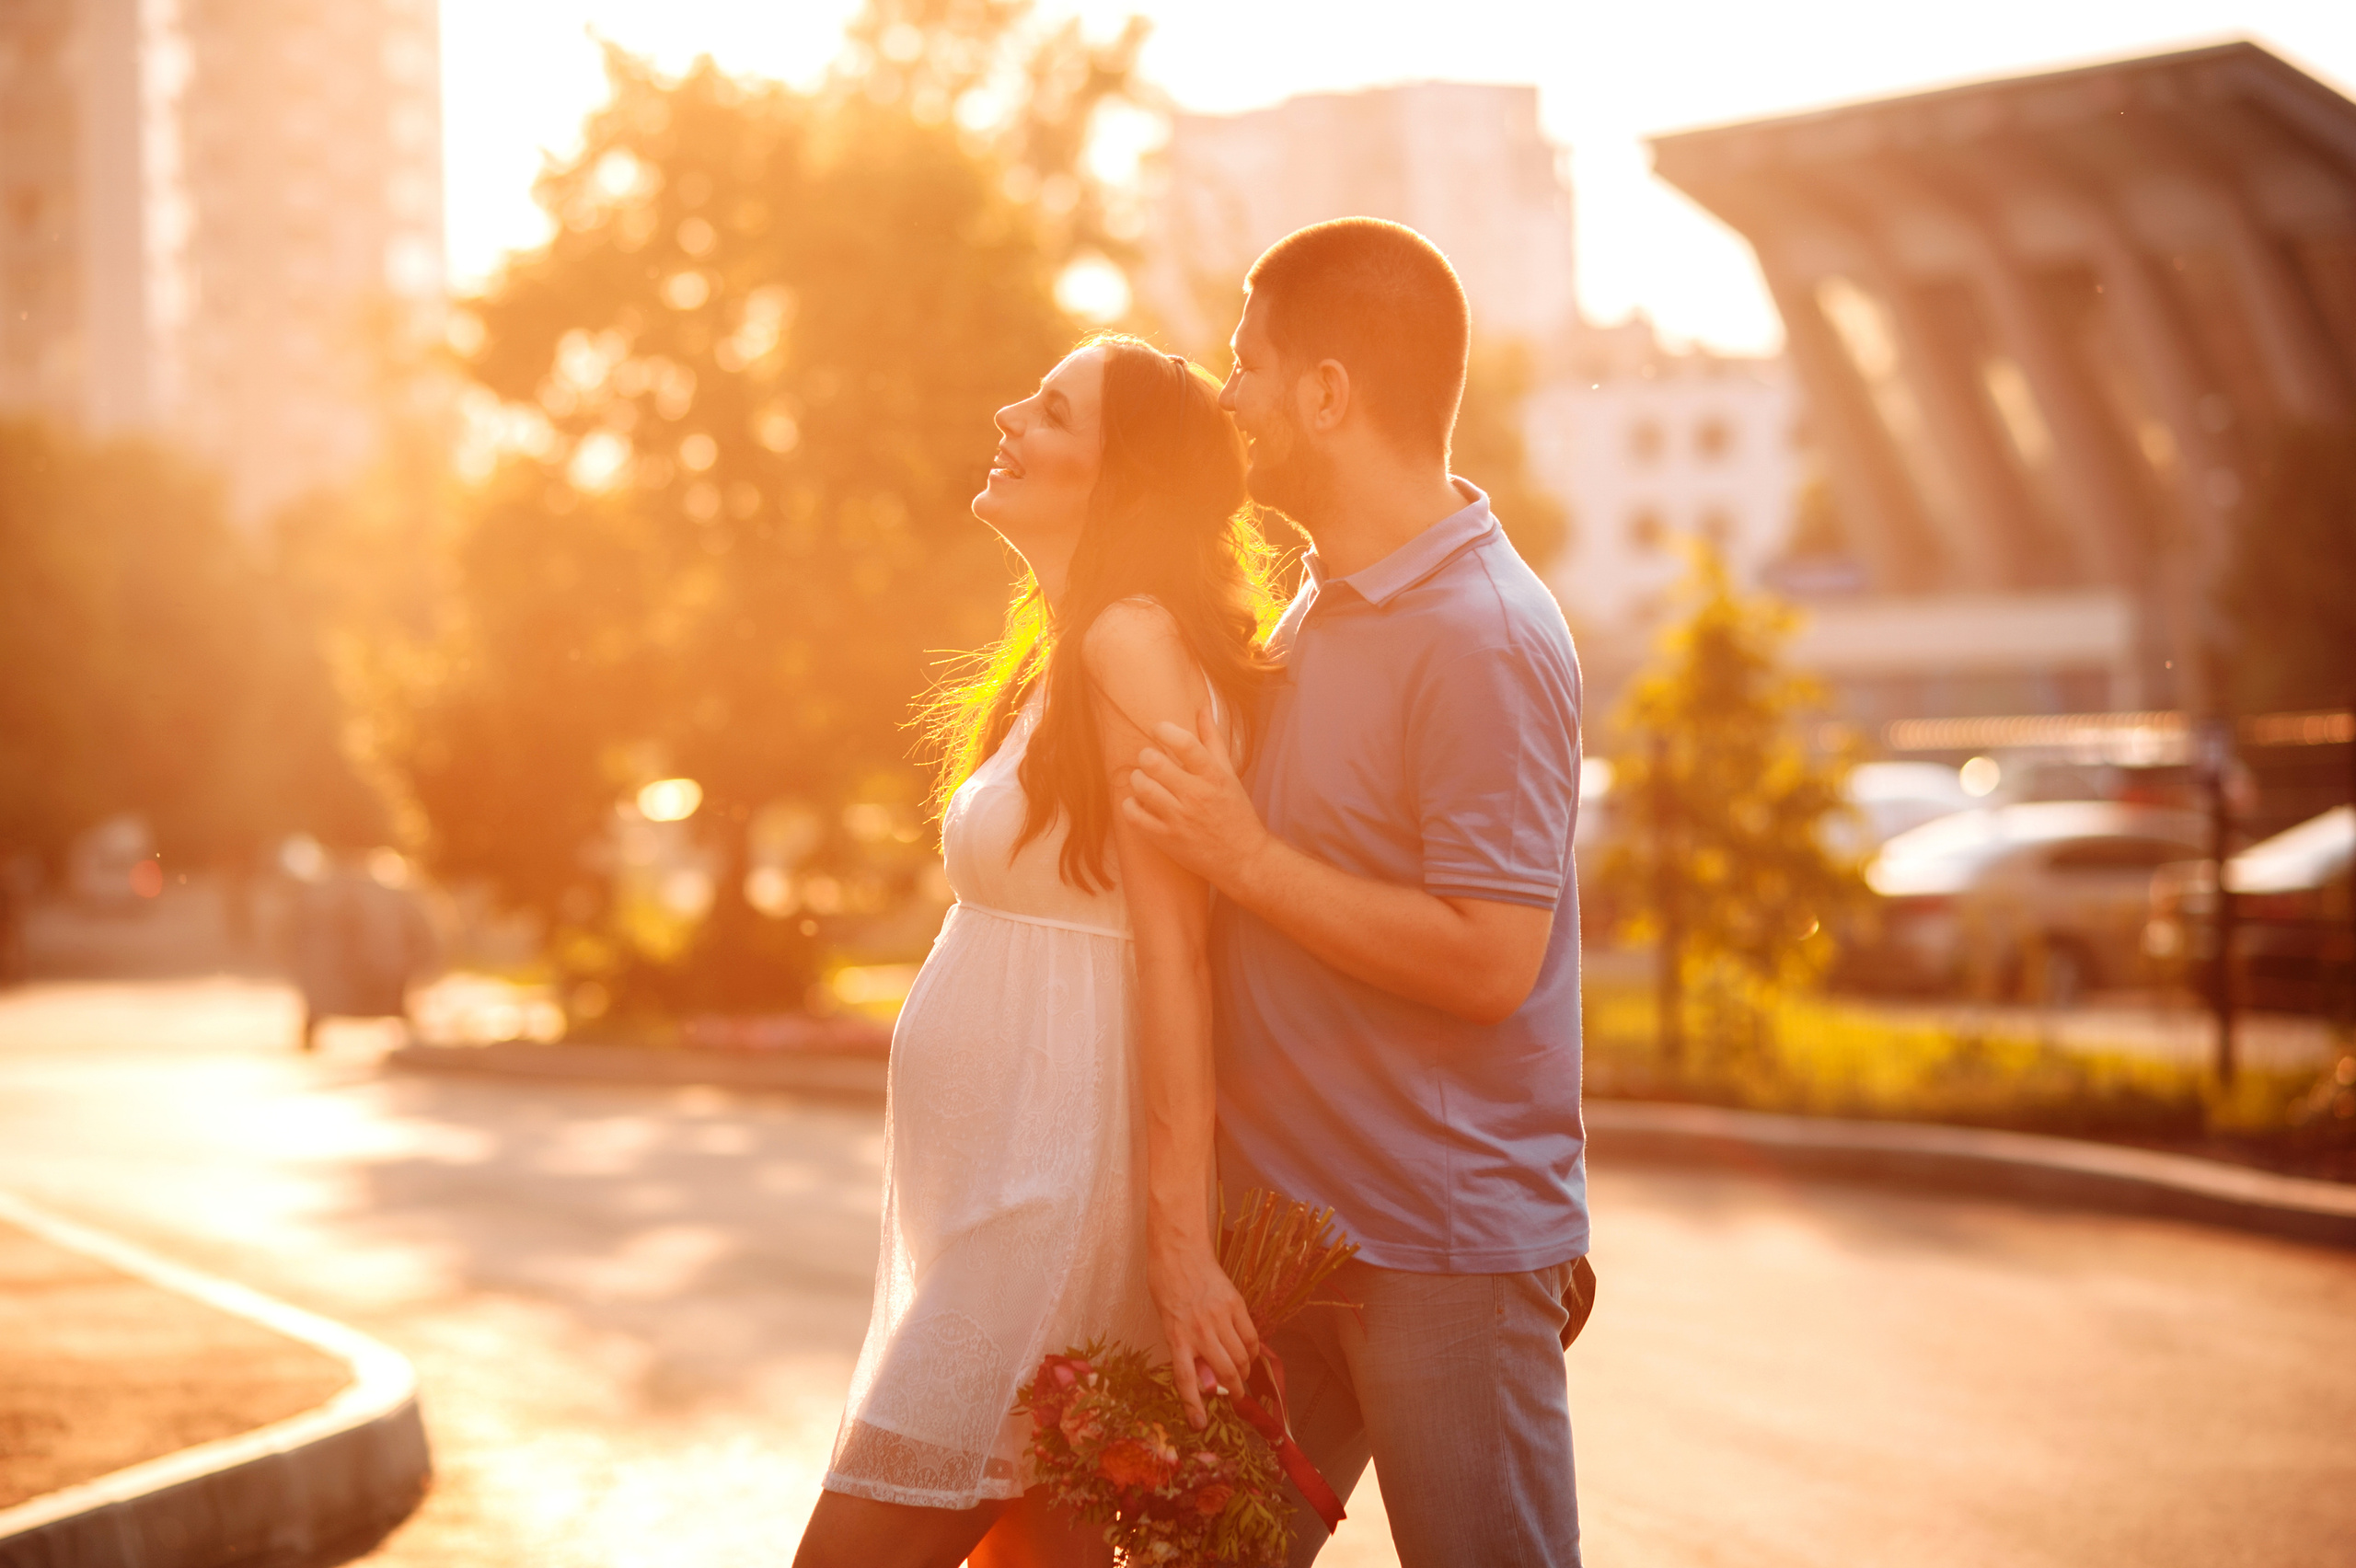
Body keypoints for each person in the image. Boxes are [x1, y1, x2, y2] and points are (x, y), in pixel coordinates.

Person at [1123, 218, 1589, 1567]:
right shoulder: (1322, 603)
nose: (1229, 399)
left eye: (1248, 365)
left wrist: (1244, 859)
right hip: (1291, 1253)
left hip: (1437, 1253)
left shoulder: (1483, 634)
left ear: (1327, 394)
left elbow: (1492, 958)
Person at [795, 334, 1280, 1568]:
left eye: (1053, 411)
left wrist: (1175, 1253)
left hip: (1053, 1195)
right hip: (1004, 1190)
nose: (1009, 414)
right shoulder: (1066, 648)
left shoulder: (1131, 646)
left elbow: (1175, 955)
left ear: (1120, 480)